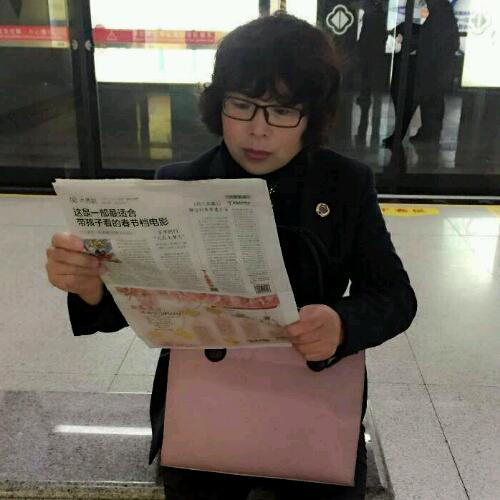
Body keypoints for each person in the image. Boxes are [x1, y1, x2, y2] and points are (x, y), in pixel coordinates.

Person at [46, 12, 417, 500]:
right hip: (203, 402)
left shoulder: (345, 185)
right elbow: (137, 306)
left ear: (312, 116)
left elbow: (395, 296)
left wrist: (342, 324)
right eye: (242, 105)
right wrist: (91, 287)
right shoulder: (177, 184)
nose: (258, 130)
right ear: (218, 102)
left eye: (282, 111)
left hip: (311, 403)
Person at [383, 0, 459, 147]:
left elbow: (433, 41)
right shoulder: (442, 16)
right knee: (430, 102)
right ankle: (427, 133)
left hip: (432, 70)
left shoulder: (440, 17)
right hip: (434, 71)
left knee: (419, 102)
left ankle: (417, 134)